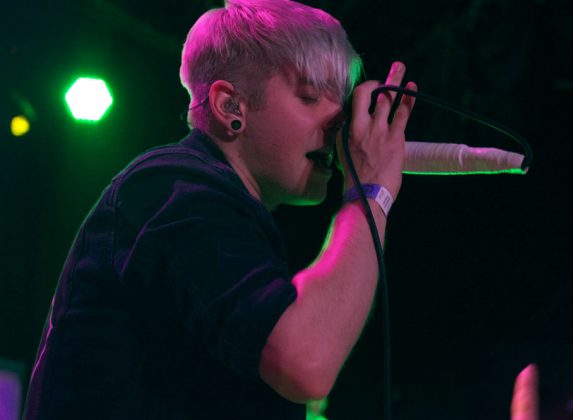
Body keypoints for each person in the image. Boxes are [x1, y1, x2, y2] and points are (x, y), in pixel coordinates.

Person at [23, 0, 416, 418]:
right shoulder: (173, 188)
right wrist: (370, 193)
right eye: (310, 96)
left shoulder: (225, 213)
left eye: (341, 103)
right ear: (230, 106)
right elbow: (306, 363)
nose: (339, 123)